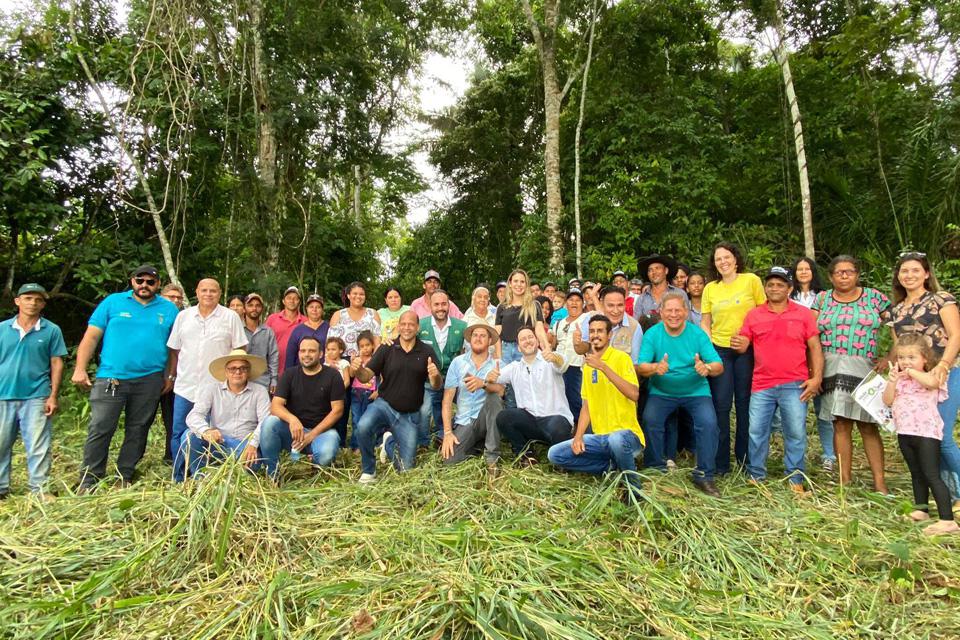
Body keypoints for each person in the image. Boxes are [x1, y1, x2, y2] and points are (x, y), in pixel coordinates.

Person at [73, 265, 178, 490]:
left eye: (150, 282)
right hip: (112, 377)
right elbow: (91, 337)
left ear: (158, 285)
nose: (144, 285)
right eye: (140, 280)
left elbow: (173, 348)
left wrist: (170, 375)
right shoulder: (113, 302)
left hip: (150, 379)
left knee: (138, 428)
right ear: (132, 281)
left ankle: (125, 474)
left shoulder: (169, 309)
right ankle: (89, 478)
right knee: (101, 426)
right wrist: (80, 368)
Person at [737, 267, 823, 495]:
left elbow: (815, 347)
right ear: (765, 288)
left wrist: (816, 378)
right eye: (771, 284)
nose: (775, 288)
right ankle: (756, 475)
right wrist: (739, 342)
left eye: (780, 284)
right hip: (762, 384)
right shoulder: (754, 314)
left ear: (790, 288)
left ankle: (795, 477)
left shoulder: (803, 314)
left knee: (795, 432)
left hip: (795, 383)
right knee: (756, 431)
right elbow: (744, 341)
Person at [887, 251, 960, 504]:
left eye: (915, 270)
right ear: (898, 276)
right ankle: (947, 494)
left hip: (944, 372)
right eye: (904, 271)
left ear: (926, 273)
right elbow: (899, 347)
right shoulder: (896, 310)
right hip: (913, 380)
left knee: (944, 435)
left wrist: (943, 365)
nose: (910, 275)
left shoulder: (941, 299)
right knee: (924, 438)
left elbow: (955, 335)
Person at [813, 255, 891, 494]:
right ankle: (844, 481)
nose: (844, 276)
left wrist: (891, 356)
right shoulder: (822, 299)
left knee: (868, 425)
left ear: (857, 274)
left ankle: (880, 483)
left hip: (864, 366)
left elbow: (898, 327)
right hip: (831, 366)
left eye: (849, 271)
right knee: (841, 424)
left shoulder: (875, 297)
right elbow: (810, 335)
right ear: (831, 276)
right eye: (839, 272)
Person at [547, 315, 645, 502]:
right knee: (555, 454)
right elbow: (587, 405)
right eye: (592, 331)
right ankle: (612, 469)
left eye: (600, 331)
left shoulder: (621, 358)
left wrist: (604, 368)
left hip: (627, 436)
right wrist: (578, 437)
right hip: (600, 438)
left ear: (609, 335)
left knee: (616, 439)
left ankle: (633, 489)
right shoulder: (588, 366)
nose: (595, 335)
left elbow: (634, 394)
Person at [636, 292, 723, 497]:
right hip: (662, 391)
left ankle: (704, 474)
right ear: (661, 312)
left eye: (678, 310)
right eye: (669, 310)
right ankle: (656, 468)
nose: (673, 314)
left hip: (696, 391)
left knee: (709, 423)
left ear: (685, 312)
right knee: (650, 419)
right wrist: (656, 367)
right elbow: (641, 366)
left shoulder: (697, 334)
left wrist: (707, 369)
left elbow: (719, 365)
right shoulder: (653, 334)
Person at [167, 278, 248, 483]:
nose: (208, 294)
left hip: (217, 388)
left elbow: (239, 350)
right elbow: (175, 350)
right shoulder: (184, 317)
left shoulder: (230, 317)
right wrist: (171, 375)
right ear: (196, 292)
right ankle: (180, 477)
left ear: (219, 294)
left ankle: (205, 477)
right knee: (178, 432)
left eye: (213, 291)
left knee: (212, 434)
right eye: (204, 290)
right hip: (186, 386)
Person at [350, 310, 442, 483]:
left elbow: (437, 386)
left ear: (417, 327)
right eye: (403, 324)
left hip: (409, 415)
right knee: (362, 426)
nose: (407, 328)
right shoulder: (387, 347)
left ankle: (388, 443)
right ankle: (369, 470)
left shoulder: (426, 351)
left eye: (411, 324)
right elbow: (366, 376)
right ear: (398, 326)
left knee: (406, 468)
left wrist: (434, 375)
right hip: (384, 405)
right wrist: (358, 369)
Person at [883, 334, 959, 535]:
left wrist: (911, 372)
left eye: (911, 357)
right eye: (901, 358)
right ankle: (921, 509)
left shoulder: (932, 375)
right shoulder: (900, 380)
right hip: (905, 432)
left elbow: (932, 383)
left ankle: (947, 520)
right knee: (916, 474)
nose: (905, 362)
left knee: (931, 475)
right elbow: (888, 400)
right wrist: (892, 381)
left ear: (925, 358)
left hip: (926, 433)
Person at [701, 242, 766, 475]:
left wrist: (749, 339)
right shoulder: (710, 288)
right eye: (718, 259)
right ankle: (721, 464)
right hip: (720, 350)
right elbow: (705, 322)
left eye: (727, 257)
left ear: (736, 259)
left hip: (746, 350)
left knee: (745, 404)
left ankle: (746, 460)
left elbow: (763, 315)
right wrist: (709, 348)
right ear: (714, 264)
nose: (723, 262)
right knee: (720, 405)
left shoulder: (751, 281)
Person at [0, 284, 67, 500]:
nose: (33, 303)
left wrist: (53, 395)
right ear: (17, 301)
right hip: (3, 394)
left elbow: (56, 363)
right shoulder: (2, 329)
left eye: (38, 300)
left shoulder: (51, 330)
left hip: (37, 395)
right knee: (0, 443)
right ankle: (1, 488)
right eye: (28, 298)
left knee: (39, 445)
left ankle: (39, 490)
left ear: (43, 304)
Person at [259, 337, 345, 480]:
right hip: (293, 432)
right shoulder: (289, 374)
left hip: (322, 432)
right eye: (303, 351)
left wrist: (311, 435)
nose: (306, 354)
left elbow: (338, 410)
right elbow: (275, 405)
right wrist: (292, 419)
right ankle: (272, 473)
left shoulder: (333, 375)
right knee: (269, 424)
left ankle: (316, 469)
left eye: (311, 351)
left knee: (326, 453)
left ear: (321, 354)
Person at [490, 327, 572, 465]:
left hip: (554, 421)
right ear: (519, 347)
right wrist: (490, 377)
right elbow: (494, 378)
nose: (527, 341)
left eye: (530, 337)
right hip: (531, 423)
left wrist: (554, 357)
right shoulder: (515, 367)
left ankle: (560, 460)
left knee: (558, 425)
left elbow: (562, 364)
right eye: (523, 339)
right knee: (504, 417)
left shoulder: (549, 360)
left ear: (537, 340)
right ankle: (525, 453)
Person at [182, 350, 270, 479]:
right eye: (232, 368)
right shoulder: (212, 389)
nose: (238, 372)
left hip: (244, 446)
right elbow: (194, 415)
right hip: (218, 443)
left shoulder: (259, 391)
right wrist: (206, 431)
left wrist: (253, 444)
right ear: (226, 372)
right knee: (188, 436)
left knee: (251, 465)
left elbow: (265, 421)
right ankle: (200, 477)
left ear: (249, 371)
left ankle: (235, 478)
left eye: (243, 368)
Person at [788, 258, 834, 472]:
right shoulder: (788, 297)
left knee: (823, 409)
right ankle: (797, 456)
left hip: (819, 352)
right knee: (796, 409)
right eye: (799, 269)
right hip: (795, 357)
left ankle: (829, 455)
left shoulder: (824, 297)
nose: (803, 272)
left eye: (807, 269)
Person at [440, 324, 505, 469]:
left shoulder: (497, 364)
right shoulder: (458, 362)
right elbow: (447, 401)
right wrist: (448, 432)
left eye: (483, 336)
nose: (478, 338)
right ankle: (477, 445)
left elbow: (501, 391)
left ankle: (492, 457)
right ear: (470, 340)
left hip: (486, 419)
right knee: (449, 461)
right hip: (465, 421)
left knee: (493, 397)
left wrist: (483, 384)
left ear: (489, 341)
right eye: (475, 335)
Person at [417, 290, 467, 445]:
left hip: (453, 379)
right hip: (428, 379)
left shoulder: (462, 326)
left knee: (466, 405)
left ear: (449, 305)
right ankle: (423, 443)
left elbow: (466, 353)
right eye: (436, 304)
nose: (440, 308)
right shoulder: (420, 326)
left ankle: (444, 434)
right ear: (430, 306)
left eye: (444, 304)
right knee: (424, 411)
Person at [573, 286, 643, 365]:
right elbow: (582, 350)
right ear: (602, 305)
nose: (616, 311)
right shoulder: (591, 319)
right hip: (593, 375)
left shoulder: (634, 327)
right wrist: (578, 344)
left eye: (620, 305)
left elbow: (635, 364)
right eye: (611, 305)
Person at [495, 269, 552, 365]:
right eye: (516, 281)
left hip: (527, 349)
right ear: (510, 283)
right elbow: (497, 335)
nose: (519, 284)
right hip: (506, 351)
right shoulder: (502, 307)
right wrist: (499, 357)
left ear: (526, 285)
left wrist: (547, 348)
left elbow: (539, 330)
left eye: (522, 282)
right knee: (505, 380)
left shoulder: (534, 305)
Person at [157, 283, 186, 463]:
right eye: (171, 297)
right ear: (162, 297)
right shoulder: (154, 314)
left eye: (179, 298)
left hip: (176, 375)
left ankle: (171, 454)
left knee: (172, 417)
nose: (175, 301)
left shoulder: (185, 318)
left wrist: (172, 375)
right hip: (151, 373)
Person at [552, 288, 588, 424]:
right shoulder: (558, 323)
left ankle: (580, 427)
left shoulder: (587, 318)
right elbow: (554, 344)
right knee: (560, 398)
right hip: (558, 366)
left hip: (576, 365)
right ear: (566, 303)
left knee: (575, 399)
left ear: (583, 303)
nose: (574, 303)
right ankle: (566, 426)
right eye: (571, 300)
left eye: (578, 300)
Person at [328, 282, 381, 357]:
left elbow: (377, 340)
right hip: (343, 362)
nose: (358, 296)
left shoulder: (372, 313)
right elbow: (330, 343)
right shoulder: (338, 315)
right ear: (348, 295)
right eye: (355, 293)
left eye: (361, 294)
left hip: (367, 360)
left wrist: (373, 362)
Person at [633, 254, 688, 326]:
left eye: (657, 268)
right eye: (650, 270)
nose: (654, 272)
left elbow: (687, 321)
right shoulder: (642, 298)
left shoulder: (680, 294)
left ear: (666, 271)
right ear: (648, 274)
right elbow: (636, 326)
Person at [241, 293, 279, 393]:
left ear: (262, 309)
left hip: (262, 381)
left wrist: (274, 379)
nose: (254, 308)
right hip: (240, 379)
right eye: (250, 305)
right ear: (244, 308)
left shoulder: (268, 331)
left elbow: (273, 356)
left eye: (258, 305)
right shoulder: (237, 329)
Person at [265, 286, 307, 376]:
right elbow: (264, 341)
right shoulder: (272, 319)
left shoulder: (305, 321)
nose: (292, 301)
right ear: (283, 301)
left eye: (295, 298)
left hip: (298, 368)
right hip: (274, 367)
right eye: (289, 298)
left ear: (299, 302)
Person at [349, 331, 379, 451]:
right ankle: (356, 445)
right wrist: (354, 365)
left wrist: (378, 391)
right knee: (356, 419)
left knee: (369, 420)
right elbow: (351, 374)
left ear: (372, 345)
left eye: (367, 345)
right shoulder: (357, 359)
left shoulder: (376, 360)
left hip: (370, 393)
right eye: (362, 346)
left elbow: (381, 376)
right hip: (356, 392)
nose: (365, 349)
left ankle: (370, 444)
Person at [284, 293, 329, 371]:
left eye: (318, 307)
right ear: (306, 309)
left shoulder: (329, 328)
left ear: (322, 310)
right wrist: (288, 376)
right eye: (311, 307)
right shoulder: (298, 330)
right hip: (302, 372)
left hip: (324, 372)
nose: (314, 310)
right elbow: (290, 355)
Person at [324, 336, 352, 447]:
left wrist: (338, 390)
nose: (331, 352)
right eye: (328, 349)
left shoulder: (344, 363)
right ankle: (329, 441)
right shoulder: (325, 365)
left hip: (341, 395)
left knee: (342, 419)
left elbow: (347, 381)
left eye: (333, 349)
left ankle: (341, 443)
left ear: (340, 350)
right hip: (327, 395)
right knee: (329, 418)